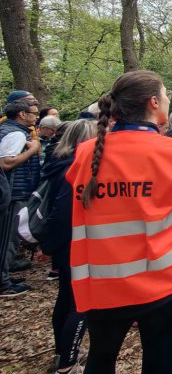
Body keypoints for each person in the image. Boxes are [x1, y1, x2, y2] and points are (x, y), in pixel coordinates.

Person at [66, 70, 172, 373]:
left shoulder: (83, 154)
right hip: (164, 280)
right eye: (167, 94)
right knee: (162, 364)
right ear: (154, 102)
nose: (170, 100)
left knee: (100, 360)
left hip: (101, 283)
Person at [41, 119, 97, 374]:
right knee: (80, 303)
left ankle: (62, 349)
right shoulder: (74, 169)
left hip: (64, 242)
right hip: (73, 242)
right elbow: (65, 212)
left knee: (65, 296)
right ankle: (67, 362)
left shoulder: (57, 163)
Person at [0, 98, 41, 297]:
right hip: (12, 193)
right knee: (7, 238)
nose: (36, 117)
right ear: (22, 114)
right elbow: (6, 163)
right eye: (33, 113)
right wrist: (33, 150)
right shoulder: (16, 133)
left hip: (10, 192)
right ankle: (3, 283)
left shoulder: (7, 130)